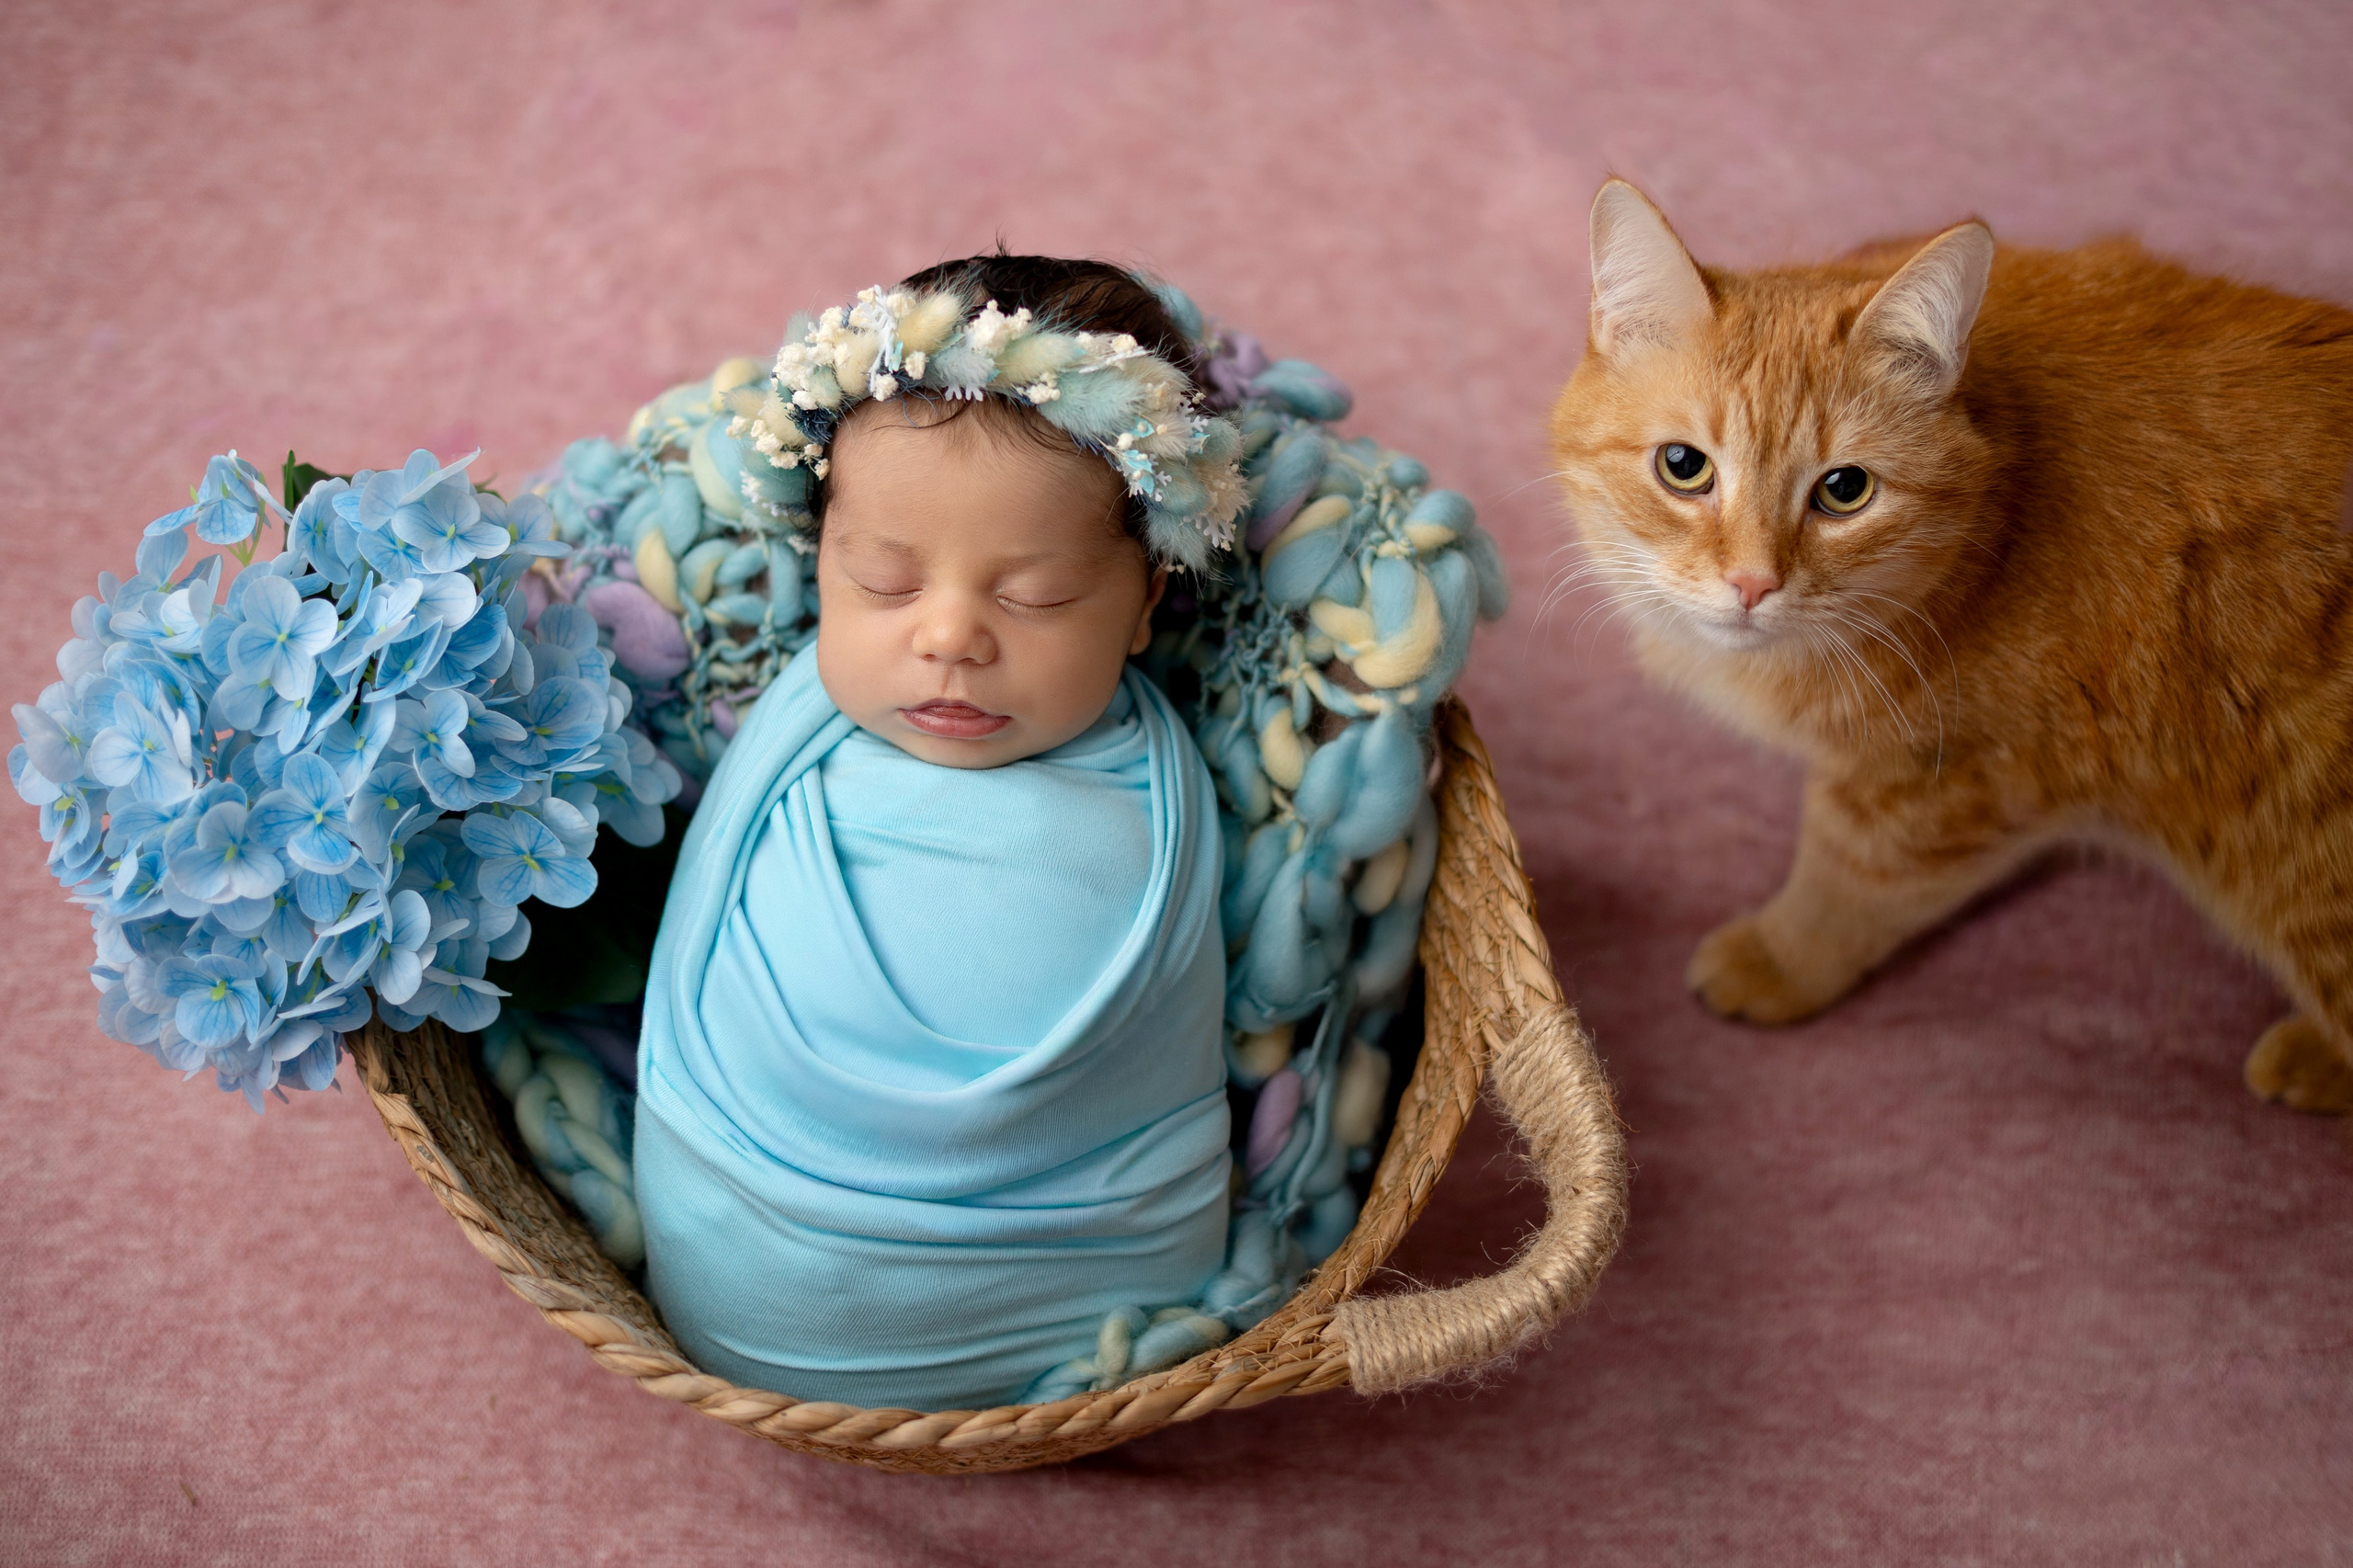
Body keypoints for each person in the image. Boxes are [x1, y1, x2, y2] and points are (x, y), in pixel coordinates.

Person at [633, 256, 1246, 1409]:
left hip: (1067, 1289)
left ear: (1148, 602)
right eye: (882, 580)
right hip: (739, 1250)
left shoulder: (1157, 795)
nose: (951, 637)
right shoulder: (793, 731)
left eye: (1037, 598)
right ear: (817, 561)